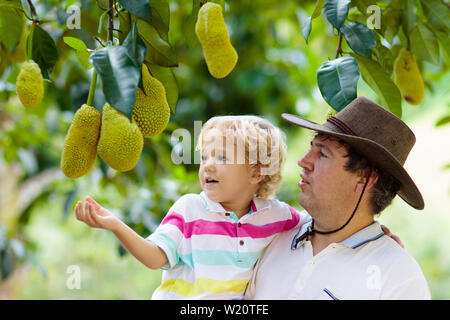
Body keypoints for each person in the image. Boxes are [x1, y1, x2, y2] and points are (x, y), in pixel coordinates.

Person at [74, 115, 304, 299]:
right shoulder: (190, 209)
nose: (208, 166)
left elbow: (315, 221)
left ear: (256, 172)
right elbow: (155, 258)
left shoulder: (274, 214)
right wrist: (115, 225)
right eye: (204, 157)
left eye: (222, 158)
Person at [244, 96, 431, 300]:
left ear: (365, 178)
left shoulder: (399, 277)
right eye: (311, 148)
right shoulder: (271, 232)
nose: (303, 161)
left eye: (322, 154)